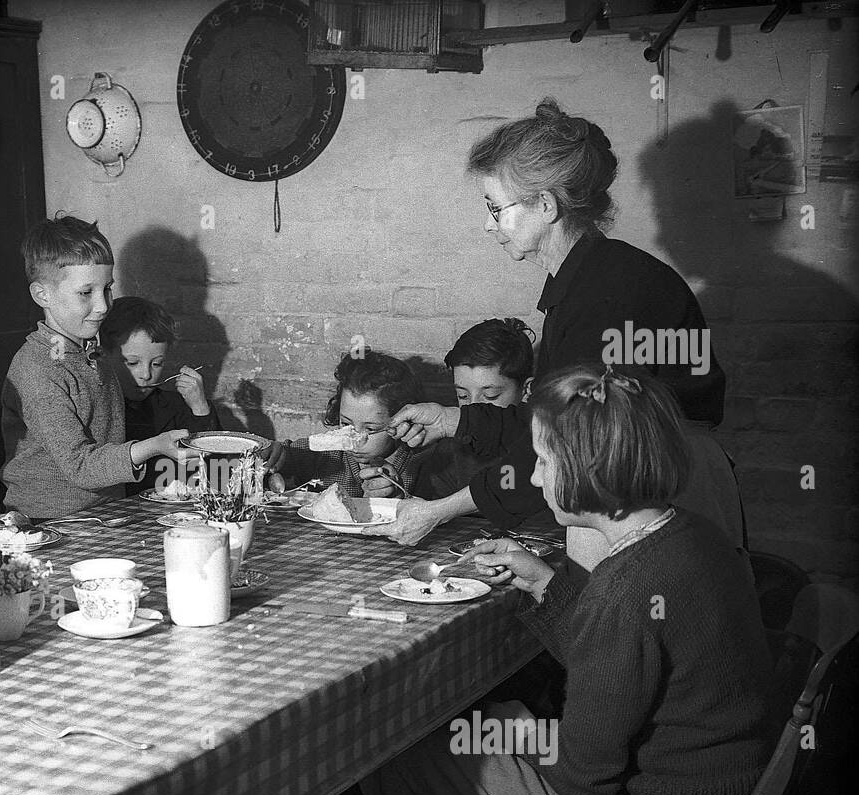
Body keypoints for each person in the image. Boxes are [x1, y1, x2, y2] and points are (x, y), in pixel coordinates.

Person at [360, 365, 778, 795]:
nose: (533, 475)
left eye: (544, 462)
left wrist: (522, 750)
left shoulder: (627, 590)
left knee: (397, 753)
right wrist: (545, 584)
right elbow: (625, 668)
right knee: (482, 731)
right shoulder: (690, 537)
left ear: (588, 471)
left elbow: (585, 778)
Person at [367, 99, 743, 569]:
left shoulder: (607, 296)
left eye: (494, 208)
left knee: (631, 636)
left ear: (545, 205)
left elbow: (568, 443)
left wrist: (440, 510)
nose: (488, 225)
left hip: (653, 501)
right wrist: (453, 420)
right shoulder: (593, 278)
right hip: (635, 485)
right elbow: (554, 422)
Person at [0, 215, 188, 520]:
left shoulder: (92, 352)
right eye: (86, 293)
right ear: (42, 295)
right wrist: (153, 446)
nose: (103, 306)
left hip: (104, 513)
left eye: (107, 289)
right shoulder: (37, 368)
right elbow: (80, 465)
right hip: (50, 524)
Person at [269, 350, 428, 498]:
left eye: (370, 429)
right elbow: (288, 455)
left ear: (402, 423)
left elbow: (438, 519)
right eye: (346, 424)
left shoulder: (421, 465)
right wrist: (276, 456)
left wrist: (398, 498)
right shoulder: (327, 456)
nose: (354, 442)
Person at [100, 296, 218, 494]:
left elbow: (217, 474)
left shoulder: (176, 407)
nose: (146, 375)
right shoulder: (99, 408)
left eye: (157, 364)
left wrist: (200, 409)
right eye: (132, 363)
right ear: (104, 355)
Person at [415, 318, 535, 501]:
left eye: (490, 396)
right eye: (462, 396)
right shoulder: (450, 451)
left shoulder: (542, 445)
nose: (473, 408)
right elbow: (426, 508)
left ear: (526, 390)